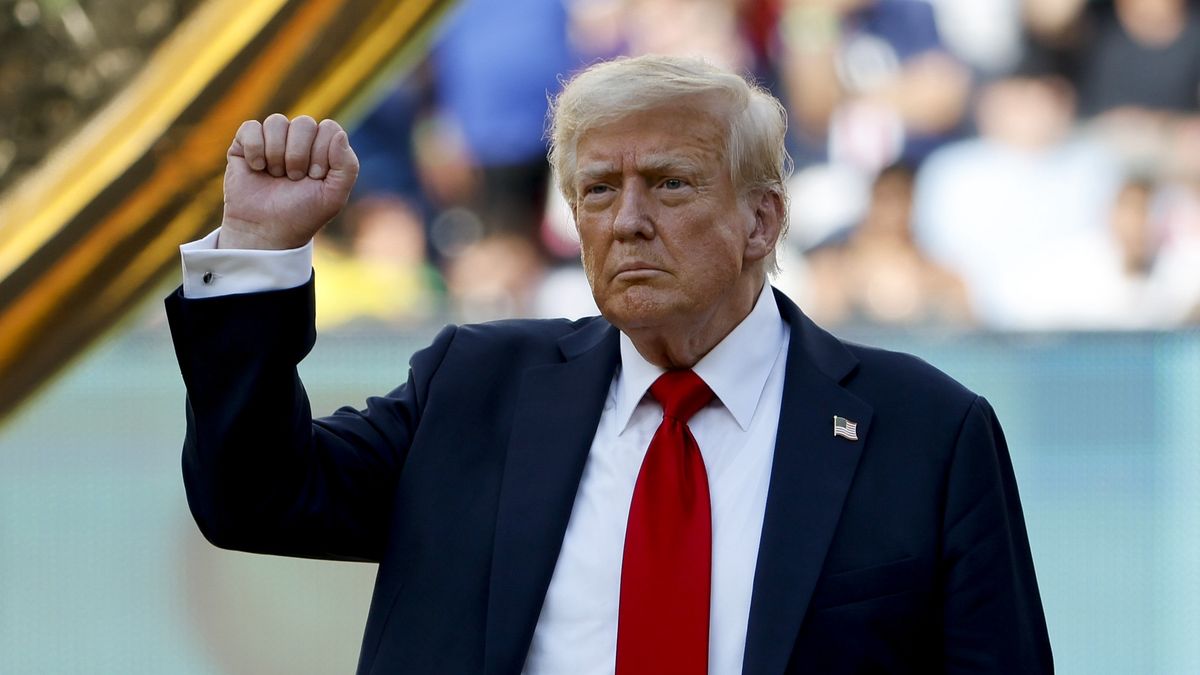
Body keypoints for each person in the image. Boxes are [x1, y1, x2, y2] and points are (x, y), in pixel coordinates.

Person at [166, 55, 1053, 674]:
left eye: (669, 183)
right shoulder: (476, 389)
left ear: (761, 221)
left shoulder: (925, 432)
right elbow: (253, 496)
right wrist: (254, 256)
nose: (627, 219)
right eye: (598, 189)